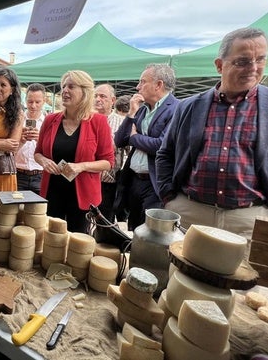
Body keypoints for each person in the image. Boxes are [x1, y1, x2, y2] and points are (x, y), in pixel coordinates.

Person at [156, 27, 268, 241]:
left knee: (246, 275)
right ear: (219, 65)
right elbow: (165, 153)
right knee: (181, 274)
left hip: (248, 219)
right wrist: (169, 197)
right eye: (242, 61)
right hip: (192, 213)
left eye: (261, 60)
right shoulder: (189, 106)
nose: (253, 68)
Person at [34, 70, 114, 233]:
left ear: (84, 92)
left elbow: (108, 162)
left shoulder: (98, 121)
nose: (64, 91)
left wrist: (81, 166)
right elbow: (38, 153)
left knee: (77, 244)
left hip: (82, 196)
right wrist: (44, 161)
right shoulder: (50, 120)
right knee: (50, 239)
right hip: (52, 192)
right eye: (63, 86)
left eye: (71, 86)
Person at [114, 63, 179, 231]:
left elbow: (161, 146)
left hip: (155, 183)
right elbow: (120, 140)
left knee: (150, 234)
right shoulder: (142, 110)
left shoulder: (177, 109)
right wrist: (130, 115)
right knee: (133, 230)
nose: (137, 87)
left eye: (142, 82)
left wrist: (135, 137)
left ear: (159, 85)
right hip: (134, 181)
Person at [94, 83, 128, 223]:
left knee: (104, 221)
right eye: (95, 96)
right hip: (87, 178)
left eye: (102, 96)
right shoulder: (86, 120)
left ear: (113, 100)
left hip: (108, 182)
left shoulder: (122, 123)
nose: (98, 99)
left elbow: (128, 151)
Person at [15, 83, 46, 194]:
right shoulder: (17, 120)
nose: (33, 106)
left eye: (37, 102)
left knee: (38, 210)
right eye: (30, 101)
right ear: (25, 100)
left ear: (44, 101)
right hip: (17, 174)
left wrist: (40, 141)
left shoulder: (49, 123)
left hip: (40, 176)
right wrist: (21, 141)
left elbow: (52, 154)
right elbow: (8, 151)